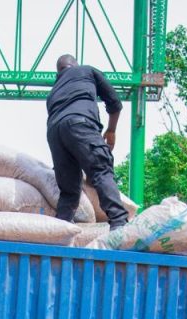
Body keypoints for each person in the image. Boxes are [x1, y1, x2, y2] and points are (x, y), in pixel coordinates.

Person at [46, 54, 128, 230]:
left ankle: (60, 229)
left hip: (54, 132)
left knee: (69, 190)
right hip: (80, 123)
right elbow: (114, 103)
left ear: (58, 72)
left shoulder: (53, 92)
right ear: (74, 64)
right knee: (101, 170)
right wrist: (111, 130)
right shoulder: (86, 70)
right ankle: (120, 223)